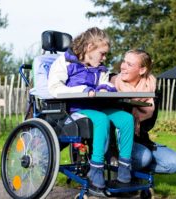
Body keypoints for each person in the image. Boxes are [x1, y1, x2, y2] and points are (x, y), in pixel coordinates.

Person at [48, 27, 134, 189]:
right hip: (74, 110)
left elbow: (104, 82)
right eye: (102, 53)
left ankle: (124, 171)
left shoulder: (100, 68)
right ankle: (95, 169)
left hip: (97, 107)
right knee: (101, 119)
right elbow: (54, 88)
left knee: (126, 119)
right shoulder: (65, 62)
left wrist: (105, 88)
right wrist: (83, 90)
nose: (104, 57)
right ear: (89, 48)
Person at [111, 49, 176, 174]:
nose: (123, 66)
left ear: (142, 70)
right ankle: (119, 170)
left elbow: (148, 125)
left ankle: (136, 170)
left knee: (174, 163)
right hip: (115, 144)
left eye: (130, 64)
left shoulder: (151, 90)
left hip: (140, 140)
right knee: (144, 157)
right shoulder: (111, 86)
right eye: (124, 61)